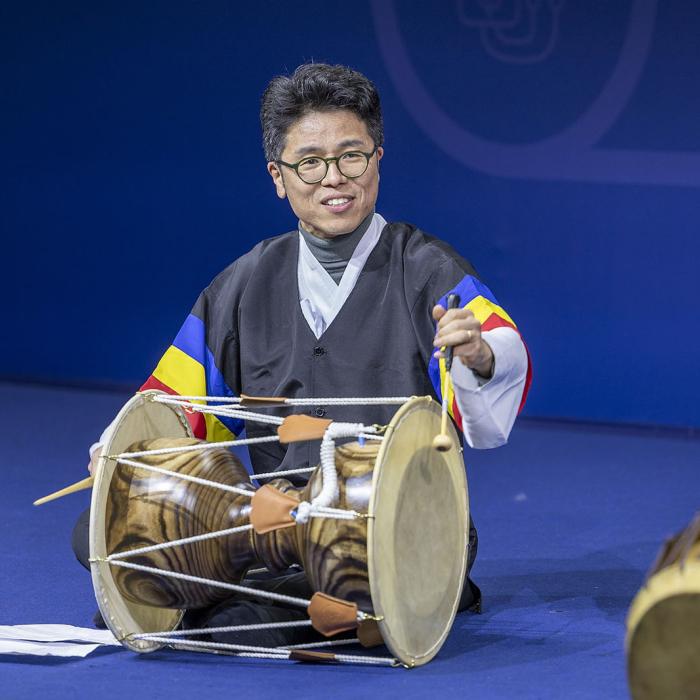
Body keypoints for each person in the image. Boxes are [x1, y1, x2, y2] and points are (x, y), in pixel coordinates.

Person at [72, 62, 531, 648]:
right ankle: (245, 595)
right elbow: (175, 400)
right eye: (310, 162)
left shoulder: (429, 269)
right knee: (95, 528)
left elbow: (501, 351)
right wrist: (119, 459)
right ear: (278, 177)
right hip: (267, 526)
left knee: (274, 604)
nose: (334, 178)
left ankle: (247, 605)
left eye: (351, 156)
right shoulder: (242, 283)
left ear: (378, 159)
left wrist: (476, 354)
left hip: (390, 521)